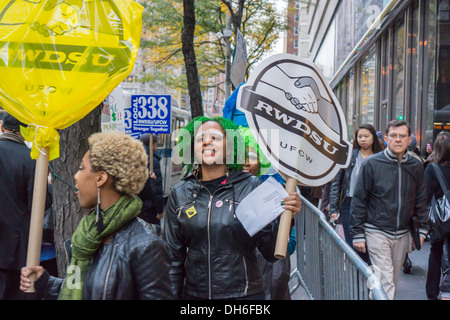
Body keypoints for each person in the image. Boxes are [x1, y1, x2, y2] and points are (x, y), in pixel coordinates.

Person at [20, 132, 173, 300]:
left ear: (101, 178)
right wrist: (47, 283)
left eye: (81, 168)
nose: (76, 176)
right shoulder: (88, 234)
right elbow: (83, 288)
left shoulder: (146, 246)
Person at [164, 116, 301, 300]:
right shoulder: (179, 193)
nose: (206, 141)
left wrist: (286, 216)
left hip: (244, 296)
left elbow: (270, 252)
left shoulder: (252, 188)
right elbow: (172, 260)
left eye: (215, 137)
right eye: (200, 138)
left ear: (230, 145)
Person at [350, 120, 428, 300]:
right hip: (376, 231)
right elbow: (359, 199)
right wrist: (358, 234)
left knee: (388, 280)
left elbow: (420, 199)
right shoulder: (372, 163)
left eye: (402, 136)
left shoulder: (416, 166)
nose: (398, 140)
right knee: (386, 281)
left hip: (402, 233)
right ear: (385, 139)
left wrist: (422, 230)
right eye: (393, 136)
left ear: (409, 140)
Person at [0, 112, 52, 300]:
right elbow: (40, 203)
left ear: (2, 128)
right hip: (17, 247)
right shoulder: (31, 159)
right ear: (25, 132)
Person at [240, 126, 295, 300]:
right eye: (241, 156)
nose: (246, 162)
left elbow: (290, 242)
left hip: (268, 273)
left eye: (252, 157)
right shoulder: (226, 190)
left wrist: (280, 243)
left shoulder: (276, 189)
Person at [329, 124, 382, 264]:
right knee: (354, 243)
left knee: (371, 243)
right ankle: (360, 278)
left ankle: (369, 276)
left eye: (366, 136)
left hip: (373, 205)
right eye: (360, 136)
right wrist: (333, 208)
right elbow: (337, 183)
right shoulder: (349, 156)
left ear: (373, 137)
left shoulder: (380, 157)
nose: (363, 139)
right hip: (349, 204)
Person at [424, 131, 450, 300]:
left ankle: (432, 292)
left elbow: (426, 195)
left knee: (436, 251)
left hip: (440, 219)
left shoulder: (432, 168)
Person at [138, 133, 164, 226]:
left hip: (139, 207)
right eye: (155, 143)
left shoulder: (136, 158)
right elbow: (157, 189)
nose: (156, 145)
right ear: (150, 144)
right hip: (150, 208)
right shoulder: (153, 160)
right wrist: (160, 210)